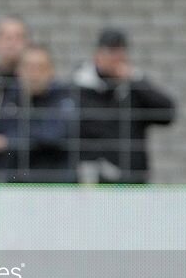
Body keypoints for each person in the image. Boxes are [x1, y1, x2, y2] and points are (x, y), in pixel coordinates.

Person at [73, 27, 176, 183]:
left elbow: (167, 113)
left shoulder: (135, 87)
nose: (115, 59)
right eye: (110, 52)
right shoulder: (80, 88)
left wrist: (137, 80)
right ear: (97, 55)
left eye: (120, 53)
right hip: (94, 179)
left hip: (132, 177)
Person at [0, 44, 78, 182]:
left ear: (51, 71)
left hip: (53, 185)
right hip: (11, 185)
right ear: (18, 71)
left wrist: (8, 141)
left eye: (41, 68)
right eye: (29, 68)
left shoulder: (64, 98)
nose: (34, 75)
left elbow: (53, 135)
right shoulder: (5, 100)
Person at [0, 15, 31, 128]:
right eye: (6, 37)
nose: (12, 44)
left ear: (27, 43)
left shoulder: (38, 87)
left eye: (18, 37)